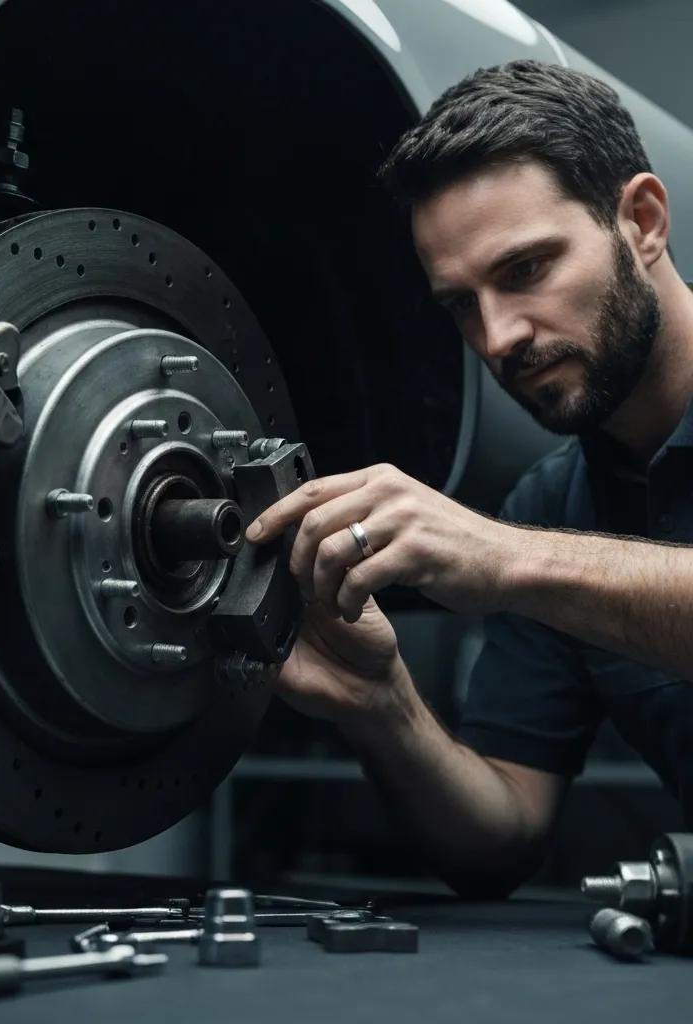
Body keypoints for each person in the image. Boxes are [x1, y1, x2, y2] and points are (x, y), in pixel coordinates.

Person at [245, 60, 693, 895]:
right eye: (460, 302)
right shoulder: (557, 505)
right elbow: (503, 837)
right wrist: (382, 705)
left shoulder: (527, 541)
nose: (497, 338)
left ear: (642, 220)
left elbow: (513, 560)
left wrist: (505, 561)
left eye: (526, 270)